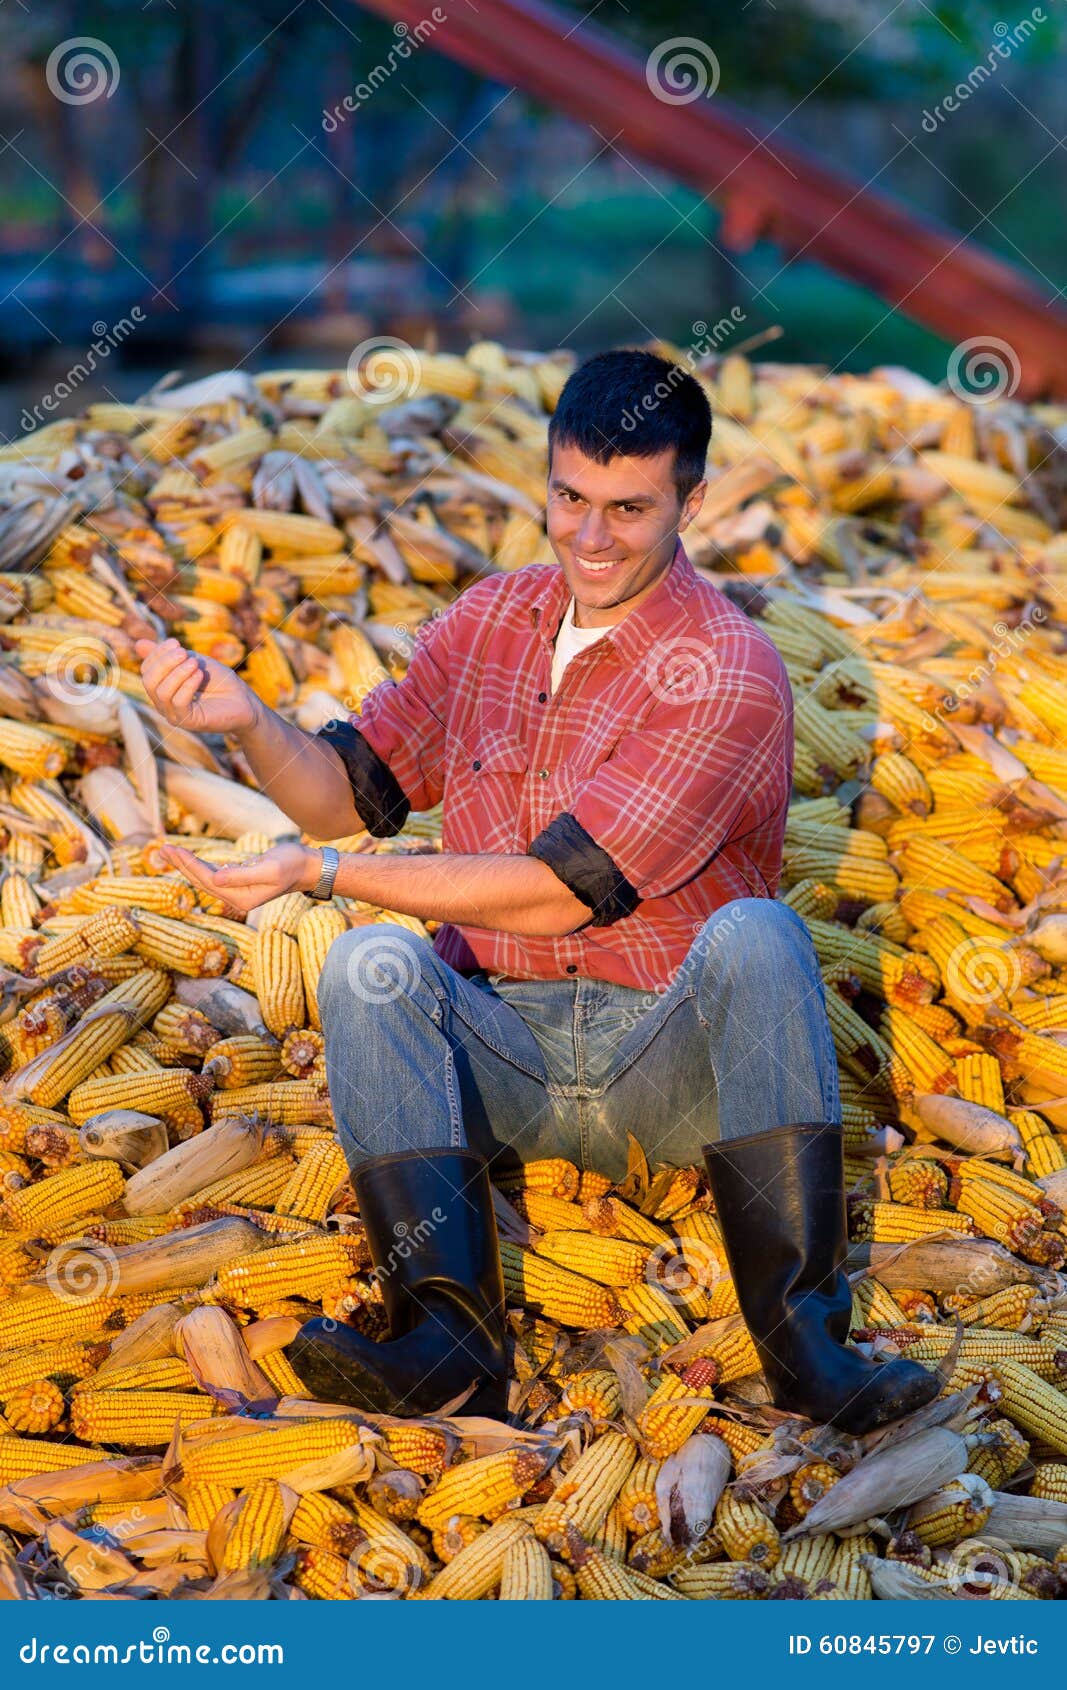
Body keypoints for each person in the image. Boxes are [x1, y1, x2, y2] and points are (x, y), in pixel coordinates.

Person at [137, 346, 939, 1435]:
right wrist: (249, 724)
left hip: (669, 1066)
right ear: (546, 480)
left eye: (627, 508)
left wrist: (318, 874)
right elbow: (339, 795)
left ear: (689, 502)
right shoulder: (486, 625)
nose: (590, 536)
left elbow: (561, 894)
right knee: (367, 962)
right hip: (503, 1054)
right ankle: (448, 1342)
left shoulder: (726, 667)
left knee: (757, 935)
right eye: (569, 498)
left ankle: (804, 1343)